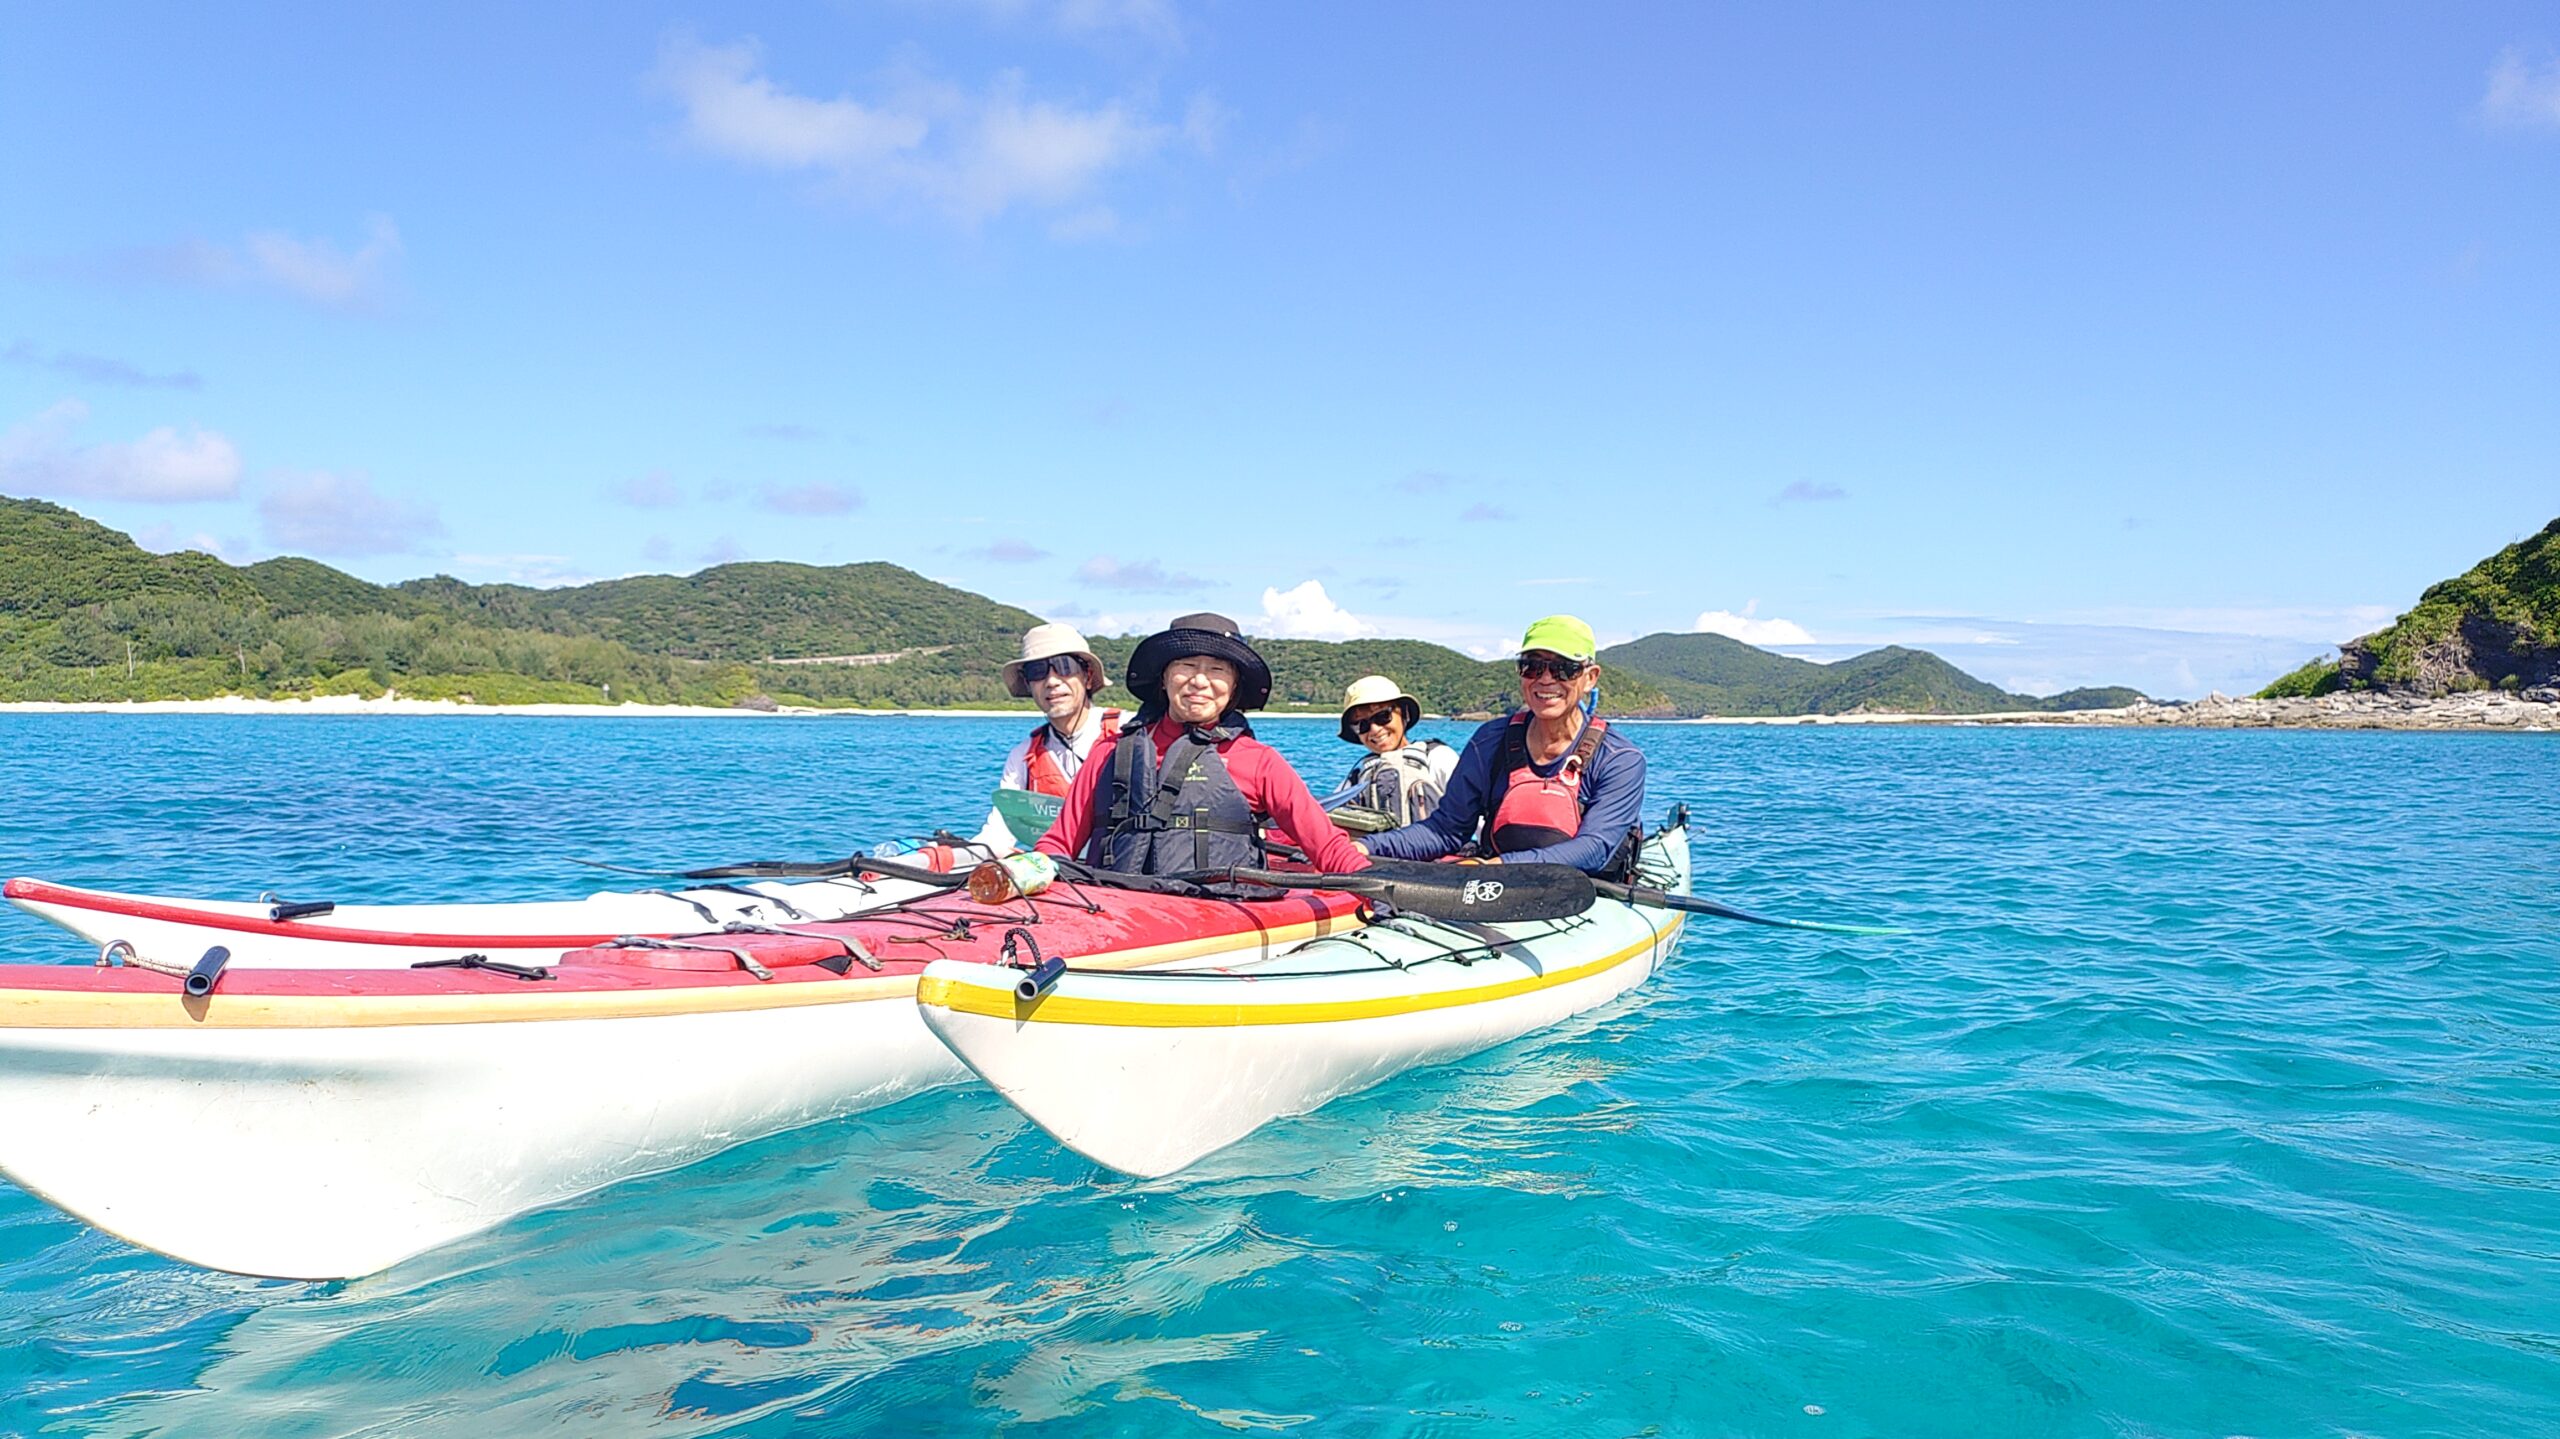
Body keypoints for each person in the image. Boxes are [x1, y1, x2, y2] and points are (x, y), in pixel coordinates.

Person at [1036, 613, 1369, 876]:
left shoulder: (1260, 762)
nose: (1199, 680)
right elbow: (1058, 843)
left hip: (1216, 921)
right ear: (1164, 678)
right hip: (1118, 917)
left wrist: (1379, 892)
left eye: (1217, 669)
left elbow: (1327, 847)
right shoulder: (1108, 752)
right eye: (1187, 666)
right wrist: (1027, 875)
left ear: (1234, 686)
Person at [1358, 615, 1645, 875]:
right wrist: (1365, 847)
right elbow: (1446, 830)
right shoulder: (1490, 741)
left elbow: (1594, 849)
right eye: (1532, 667)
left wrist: (1497, 866)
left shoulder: (1620, 759)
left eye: (1564, 669)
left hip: (1582, 891)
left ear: (1590, 678)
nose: (1546, 679)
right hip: (1497, 886)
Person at [967, 623, 1122, 853]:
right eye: (1037, 671)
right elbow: (998, 834)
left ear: (1088, 677)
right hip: (1058, 869)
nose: (1052, 681)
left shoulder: (1129, 732)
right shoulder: (1022, 757)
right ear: (1028, 684)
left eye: (1065, 666)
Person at [1334, 675, 1457, 827]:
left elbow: (1475, 817)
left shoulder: (1438, 757)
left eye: (1382, 716)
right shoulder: (1358, 775)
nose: (1375, 730)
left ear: (1404, 713)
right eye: (1361, 724)